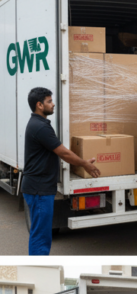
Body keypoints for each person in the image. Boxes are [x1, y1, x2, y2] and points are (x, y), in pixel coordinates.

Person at [22, 87, 101, 255]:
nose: (53, 104)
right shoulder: (40, 127)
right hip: (39, 190)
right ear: (39, 105)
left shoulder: (39, 124)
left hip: (40, 188)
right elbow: (63, 152)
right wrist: (84, 164)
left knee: (42, 235)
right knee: (41, 236)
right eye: (49, 101)